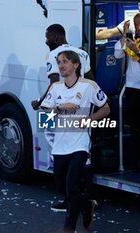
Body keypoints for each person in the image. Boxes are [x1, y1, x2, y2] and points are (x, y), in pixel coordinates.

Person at [40, 50, 110, 232]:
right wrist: (58, 107)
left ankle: (69, 227)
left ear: (76, 65)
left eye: (64, 62)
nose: (61, 65)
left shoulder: (89, 86)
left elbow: (106, 109)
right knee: (61, 187)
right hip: (59, 146)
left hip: (79, 144)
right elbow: (44, 118)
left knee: (72, 185)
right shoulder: (55, 88)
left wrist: (89, 120)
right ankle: (86, 204)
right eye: (59, 62)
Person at [31, 24, 95, 213]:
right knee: (84, 152)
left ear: (57, 38)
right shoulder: (81, 54)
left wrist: (39, 103)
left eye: (48, 38)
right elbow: (91, 78)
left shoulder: (55, 55)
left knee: (58, 149)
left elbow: (54, 84)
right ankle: (87, 196)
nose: (46, 41)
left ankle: (69, 199)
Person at [114, 11, 140, 172]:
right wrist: (124, 35)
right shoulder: (133, 39)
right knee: (135, 129)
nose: (138, 27)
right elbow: (117, 54)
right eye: (136, 25)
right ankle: (137, 164)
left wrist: (136, 50)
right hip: (132, 89)